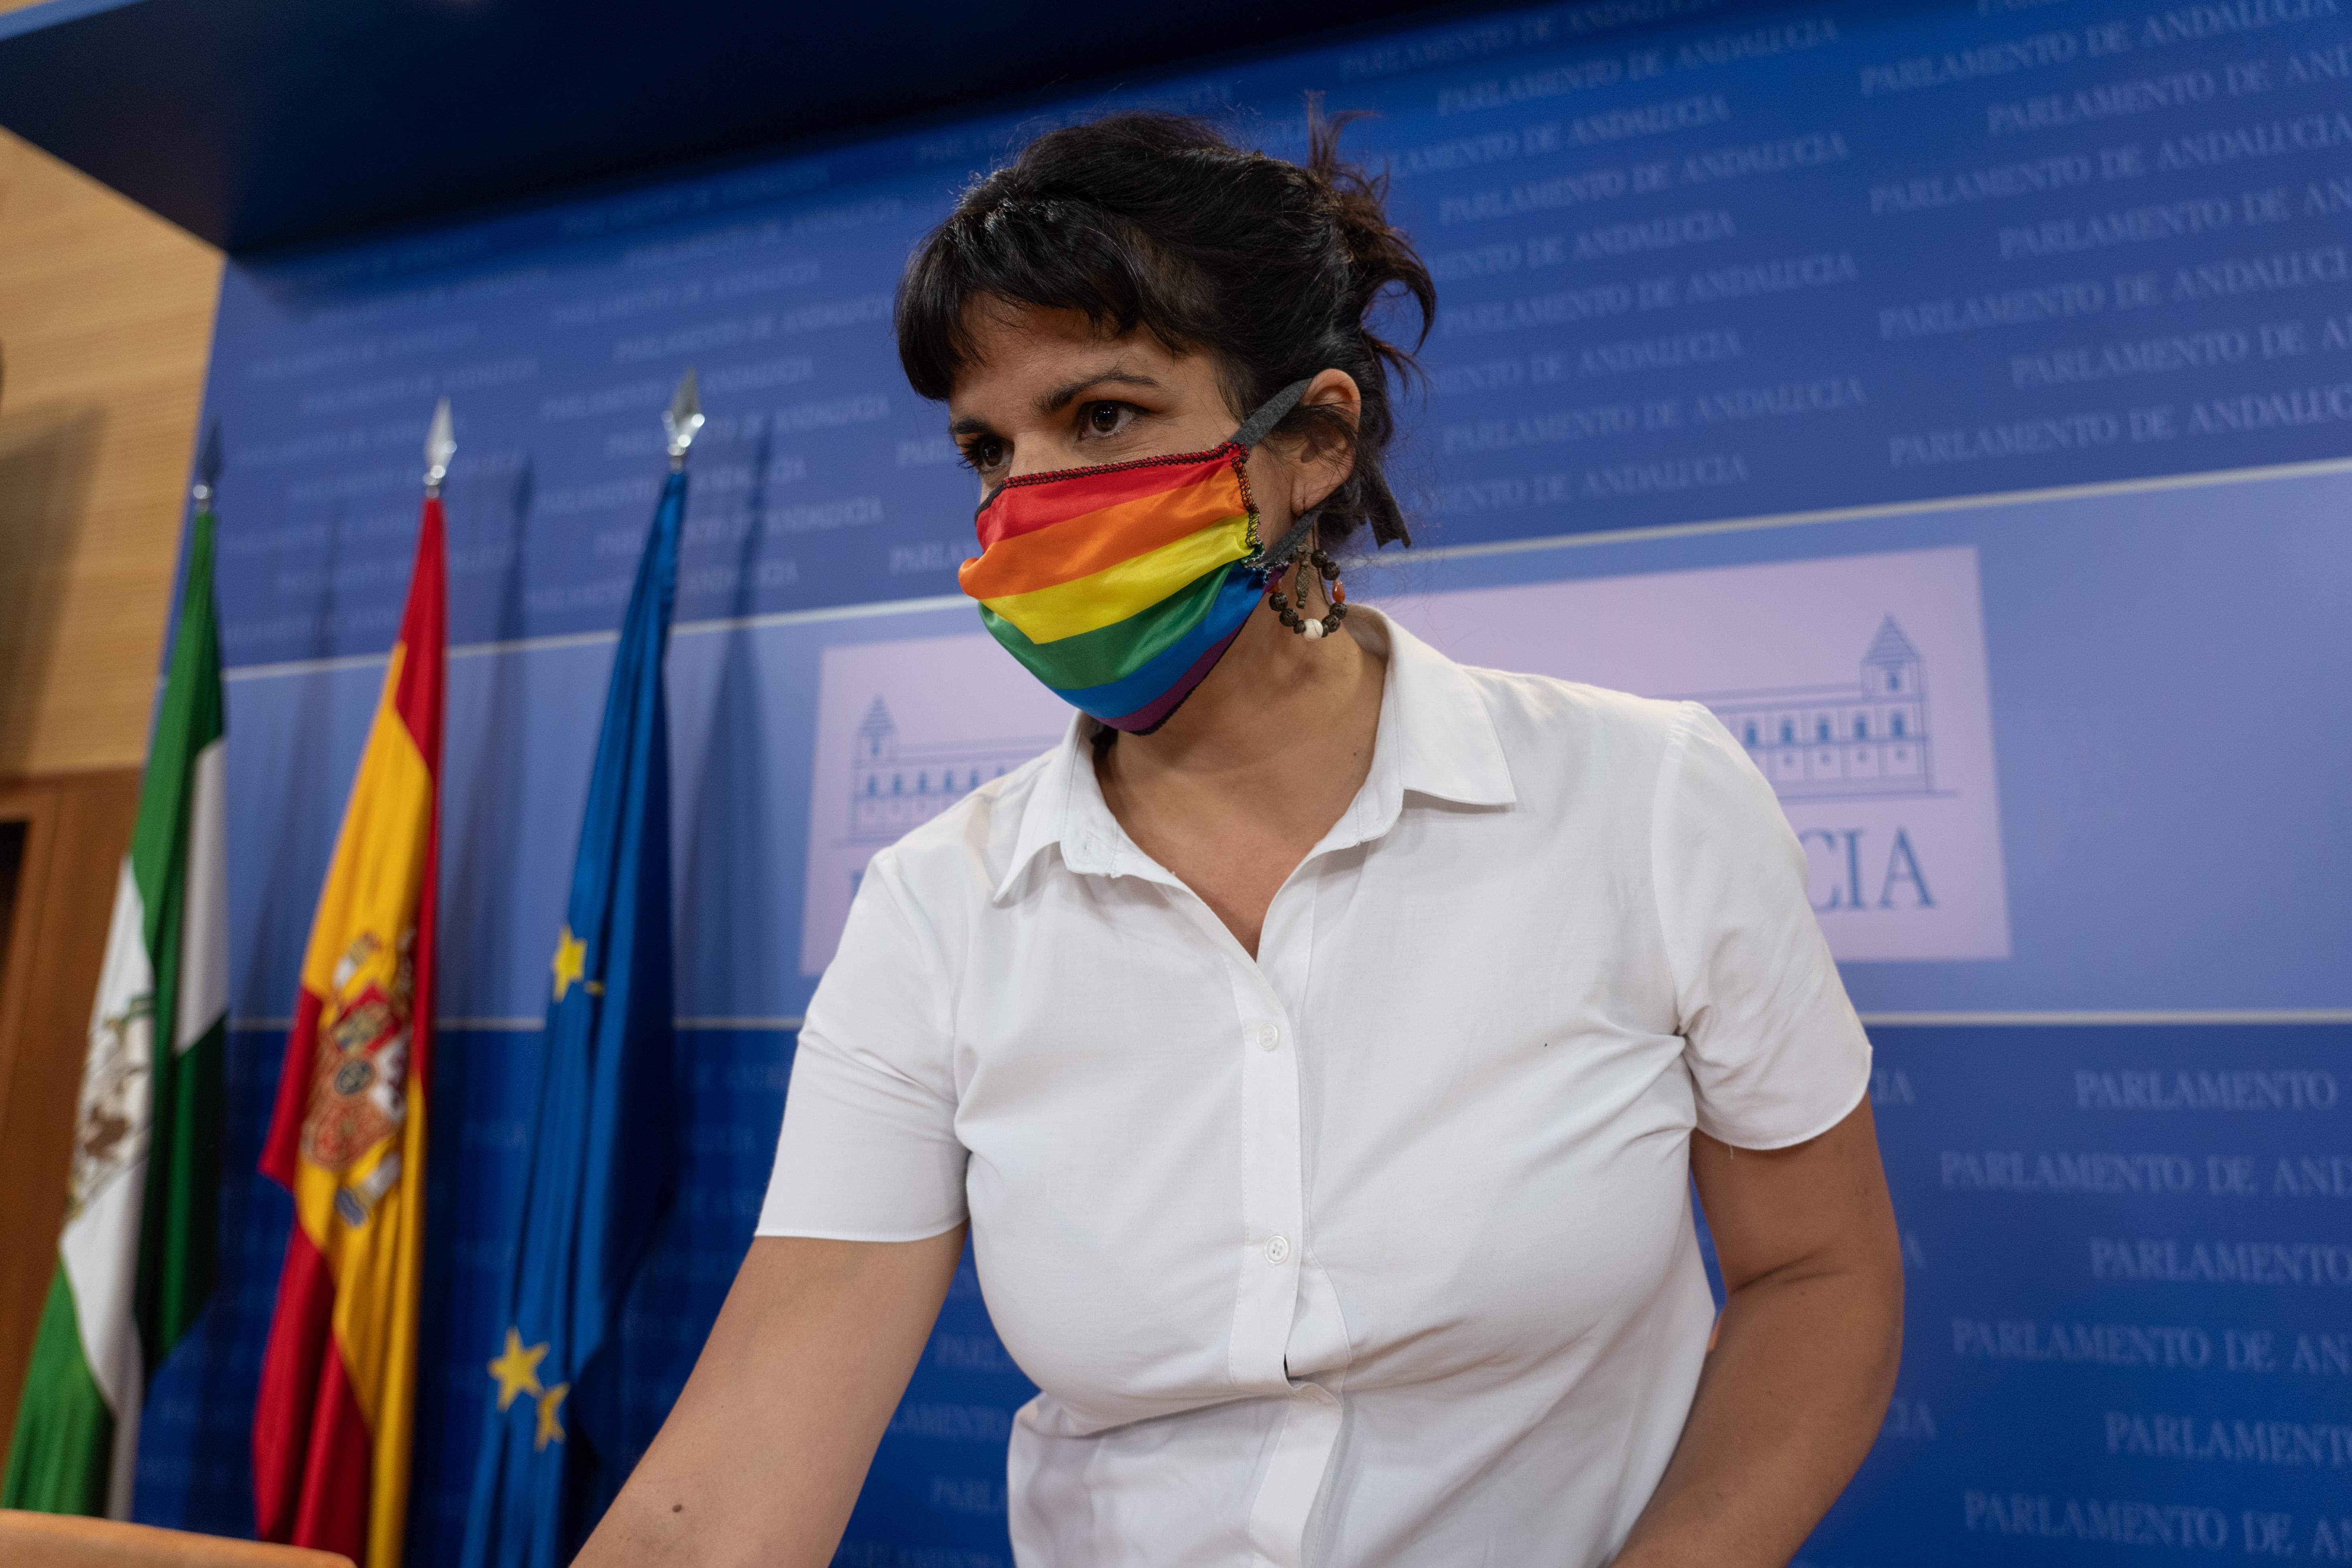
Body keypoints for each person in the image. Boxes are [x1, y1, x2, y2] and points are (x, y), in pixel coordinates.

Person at [579, 109, 1901, 1568]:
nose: (1023, 506)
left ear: (1312, 442)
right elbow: (733, 1485)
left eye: (1101, 416)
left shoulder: (1646, 796)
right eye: (984, 447)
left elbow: (1818, 1272)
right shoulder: (936, 911)